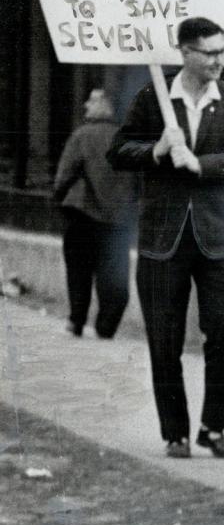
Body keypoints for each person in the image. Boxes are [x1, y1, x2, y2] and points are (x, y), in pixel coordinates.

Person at [108, 17, 224, 459]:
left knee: (222, 331)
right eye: (208, 53)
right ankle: (174, 431)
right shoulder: (153, 99)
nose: (218, 61)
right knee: (164, 336)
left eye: (222, 51)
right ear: (184, 54)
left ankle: (212, 426)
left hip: (219, 238)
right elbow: (117, 151)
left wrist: (202, 165)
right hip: (163, 238)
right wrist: (155, 150)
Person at [52, 88, 139, 339]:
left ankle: (76, 320)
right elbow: (139, 182)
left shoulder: (82, 135)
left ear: (105, 106)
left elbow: (64, 175)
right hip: (117, 221)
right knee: (113, 273)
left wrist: (58, 197)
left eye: (92, 100)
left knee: (79, 270)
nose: (86, 105)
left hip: (83, 214)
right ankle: (107, 325)